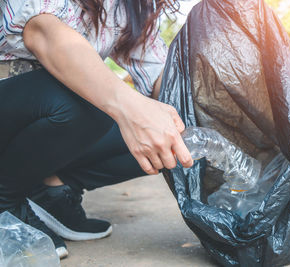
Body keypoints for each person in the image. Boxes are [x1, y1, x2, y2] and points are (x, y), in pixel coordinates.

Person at [0, 0, 194, 259]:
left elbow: (161, 76)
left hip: (37, 127)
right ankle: (5, 200)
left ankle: (50, 193)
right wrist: (131, 108)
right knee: (91, 101)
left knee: (176, 132)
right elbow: (43, 33)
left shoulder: (128, 8)